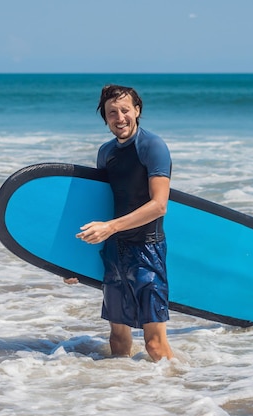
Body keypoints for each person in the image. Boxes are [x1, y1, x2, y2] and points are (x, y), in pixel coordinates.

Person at [65, 84, 174, 361]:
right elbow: (98, 205)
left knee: (154, 346)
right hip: (115, 252)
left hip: (146, 249)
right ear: (105, 117)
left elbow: (159, 205)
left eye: (125, 110)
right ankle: (124, 399)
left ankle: (180, 393)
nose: (120, 117)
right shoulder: (106, 153)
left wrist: (111, 227)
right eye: (112, 112)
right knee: (117, 341)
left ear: (137, 110)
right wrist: (72, 263)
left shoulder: (152, 146)